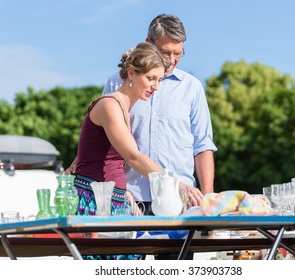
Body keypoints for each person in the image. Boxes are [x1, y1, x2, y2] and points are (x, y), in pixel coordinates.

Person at [102, 14, 217, 260]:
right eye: (166, 53)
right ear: (148, 43)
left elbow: (203, 145)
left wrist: (207, 200)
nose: (173, 60)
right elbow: (108, 145)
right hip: (130, 200)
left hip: (180, 202)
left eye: (179, 53)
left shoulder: (192, 87)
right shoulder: (118, 84)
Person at [66, 41, 170, 260]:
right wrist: (173, 184)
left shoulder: (124, 109)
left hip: (115, 201)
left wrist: (126, 197)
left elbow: (110, 161)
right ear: (131, 73)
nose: (156, 86)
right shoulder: (109, 105)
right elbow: (132, 156)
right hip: (94, 203)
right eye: (151, 78)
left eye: (159, 80)